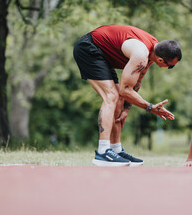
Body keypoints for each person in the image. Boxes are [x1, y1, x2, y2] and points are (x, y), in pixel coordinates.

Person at [73, 25, 182, 167]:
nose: (169, 68)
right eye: (170, 66)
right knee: (111, 96)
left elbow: (136, 82)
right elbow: (125, 90)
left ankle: (115, 149)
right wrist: (150, 107)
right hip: (89, 48)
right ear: (161, 60)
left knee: (118, 101)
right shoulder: (141, 54)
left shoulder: (153, 50)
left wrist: (126, 109)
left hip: (103, 54)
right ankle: (102, 151)